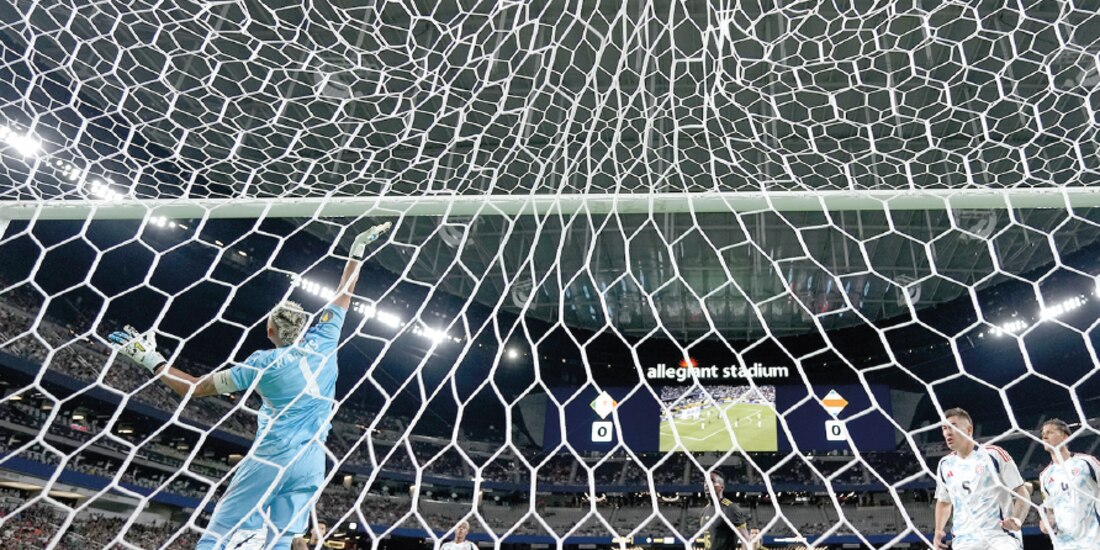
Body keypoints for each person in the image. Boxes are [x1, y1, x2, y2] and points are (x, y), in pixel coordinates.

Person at [109, 222, 392, 550]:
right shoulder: (325, 338)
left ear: (270, 330)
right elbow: (345, 292)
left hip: (272, 458)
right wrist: (356, 249)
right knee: (279, 543)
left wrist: (152, 360)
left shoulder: (262, 363)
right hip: (312, 464)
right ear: (302, 328)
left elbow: (194, 388)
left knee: (220, 535)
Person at [932, 407, 1032, 550]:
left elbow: (1021, 492)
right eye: (944, 428)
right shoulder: (945, 464)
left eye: (953, 427)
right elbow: (943, 501)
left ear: (969, 430)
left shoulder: (994, 455)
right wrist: (938, 530)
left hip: (1000, 536)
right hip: (964, 540)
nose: (947, 432)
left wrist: (1017, 519)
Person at [1037, 418, 1100, 549]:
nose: (1044, 436)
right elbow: (1050, 511)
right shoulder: (1045, 476)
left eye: (1050, 432)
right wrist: (1047, 522)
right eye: (1043, 433)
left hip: (1092, 541)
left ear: (1064, 436)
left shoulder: (1087, 463)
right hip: (1063, 544)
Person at [700, 471, 752, 550]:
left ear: (722, 487)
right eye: (705, 482)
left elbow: (745, 539)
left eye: (712, 481)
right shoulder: (704, 511)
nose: (707, 485)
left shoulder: (730, 508)